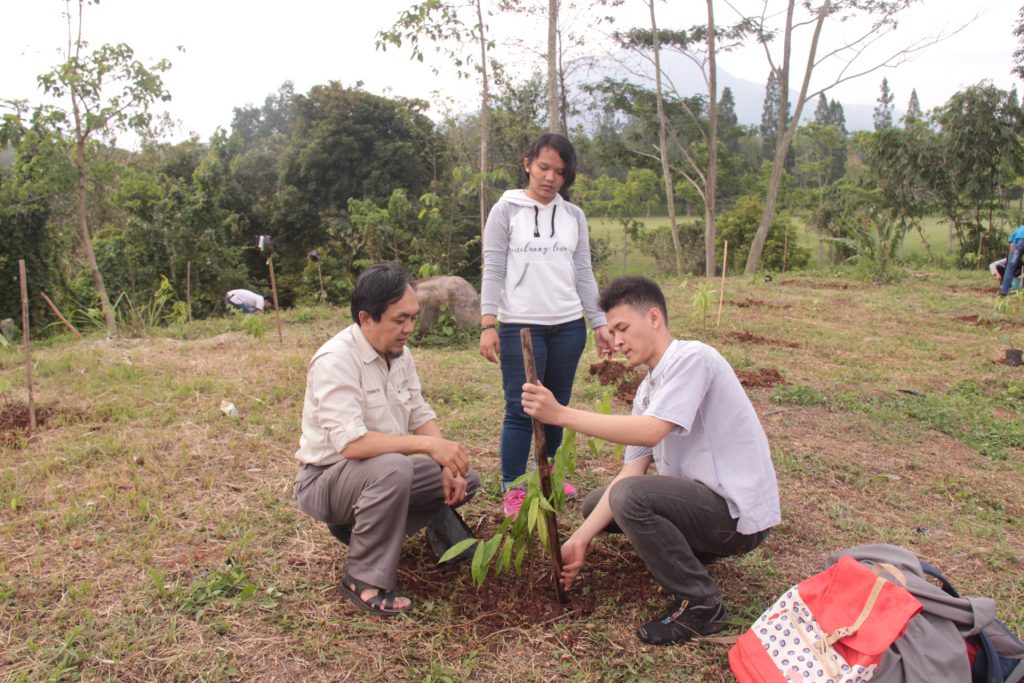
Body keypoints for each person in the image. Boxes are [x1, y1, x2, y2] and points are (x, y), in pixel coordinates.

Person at [521, 275, 781, 646]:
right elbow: (633, 467)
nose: (617, 341)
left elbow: (649, 432)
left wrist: (560, 414)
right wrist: (579, 540)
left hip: (737, 519)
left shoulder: (693, 359)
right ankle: (687, 556)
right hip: (704, 507)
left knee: (630, 497)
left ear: (654, 318)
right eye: (612, 331)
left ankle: (702, 605)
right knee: (600, 503)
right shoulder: (648, 388)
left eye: (623, 328)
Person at [293, 263, 479, 616]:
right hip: (326, 481)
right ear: (366, 318)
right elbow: (352, 445)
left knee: (463, 477)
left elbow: (419, 413)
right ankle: (362, 580)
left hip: (377, 475)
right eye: (399, 320)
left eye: (412, 317)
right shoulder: (336, 360)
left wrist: (445, 463)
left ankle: (421, 531)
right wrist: (427, 447)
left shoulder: (399, 353)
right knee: (394, 467)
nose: (409, 328)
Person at [479, 132, 614, 517]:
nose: (550, 178)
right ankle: (513, 486)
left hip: (568, 325)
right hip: (521, 325)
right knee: (521, 408)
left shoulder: (573, 216)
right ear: (527, 164)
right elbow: (494, 266)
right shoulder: (506, 210)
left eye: (559, 171)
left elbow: (584, 272)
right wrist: (489, 322)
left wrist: (598, 321)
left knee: (558, 404)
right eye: (543, 168)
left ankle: (549, 474)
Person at [999, 225, 1024, 296]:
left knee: (1010, 268)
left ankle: (1004, 292)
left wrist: (1012, 257)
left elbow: (1012, 244)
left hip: (1019, 242)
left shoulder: (1019, 229)